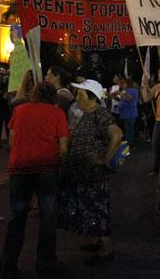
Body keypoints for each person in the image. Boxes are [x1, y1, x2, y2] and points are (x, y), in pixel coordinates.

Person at [0, 82, 69, 278]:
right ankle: (46, 262)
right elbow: (63, 146)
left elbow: (12, 141)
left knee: (17, 217)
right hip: (47, 168)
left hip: (19, 168)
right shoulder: (57, 114)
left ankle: (8, 265)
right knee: (48, 217)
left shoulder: (19, 111)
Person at [59, 79, 123, 266]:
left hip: (93, 174)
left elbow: (117, 134)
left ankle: (106, 249)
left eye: (80, 95)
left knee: (96, 209)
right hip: (84, 173)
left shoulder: (100, 114)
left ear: (92, 98)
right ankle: (97, 241)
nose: (77, 98)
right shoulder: (87, 114)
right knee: (89, 209)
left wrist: (105, 159)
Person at [143, 68, 160, 178]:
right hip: (159, 119)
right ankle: (156, 168)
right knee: (155, 144)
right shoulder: (156, 87)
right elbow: (146, 99)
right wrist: (145, 85)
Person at [117, 78, 139, 148]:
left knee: (129, 130)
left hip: (130, 114)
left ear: (127, 83)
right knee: (127, 130)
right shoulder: (125, 90)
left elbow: (128, 99)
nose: (122, 84)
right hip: (125, 114)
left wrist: (120, 93)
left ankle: (130, 145)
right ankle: (128, 144)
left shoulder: (132, 90)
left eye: (123, 83)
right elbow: (122, 99)